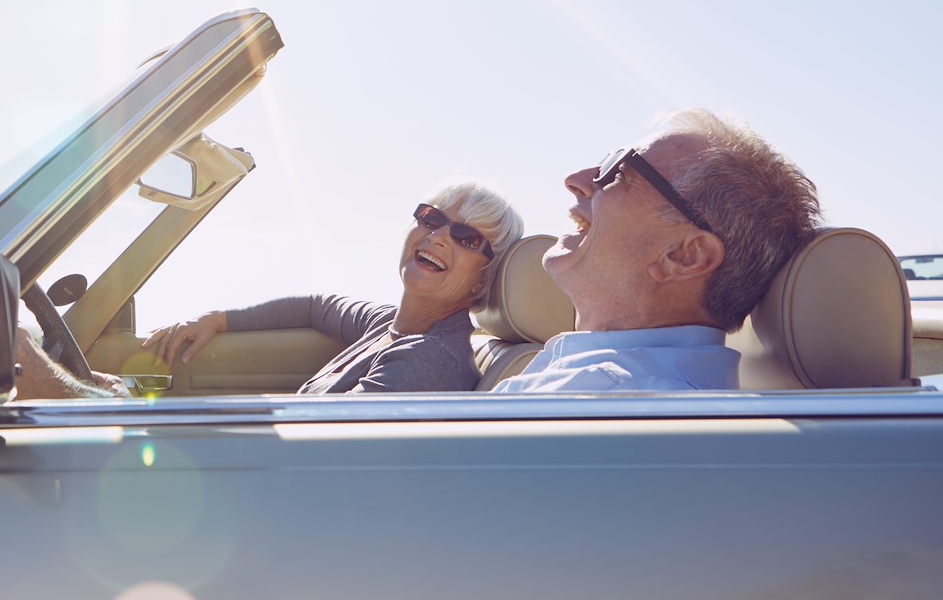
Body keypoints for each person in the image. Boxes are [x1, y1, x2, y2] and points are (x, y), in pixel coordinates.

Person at [492, 108, 821, 393]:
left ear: (685, 255)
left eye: (618, 170)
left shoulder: (612, 402)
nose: (575, 179)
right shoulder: (602, 386)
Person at [142, 182, 524, 393]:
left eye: (467, 238)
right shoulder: (391, 324)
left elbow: (315, 450)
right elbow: (315, 306)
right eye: (431, 218)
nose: (438, 236)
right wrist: (218, 320)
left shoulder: (427, 361)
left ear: (482, 281)